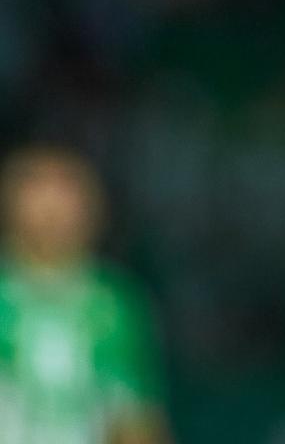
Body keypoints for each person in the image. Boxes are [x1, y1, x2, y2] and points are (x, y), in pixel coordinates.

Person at [0, 145, 171, 444]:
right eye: (35, 184)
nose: (51, 206)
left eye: (65, 187)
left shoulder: (114, 303)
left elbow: (134, 416)